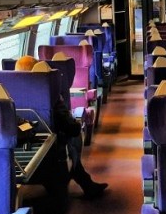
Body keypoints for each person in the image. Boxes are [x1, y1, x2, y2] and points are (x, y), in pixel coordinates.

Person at [15, 55, 108, 199]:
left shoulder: (5, 96)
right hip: (50, 151)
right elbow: (71, 127)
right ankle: (82, 179)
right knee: (74, 136)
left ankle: (85, 182)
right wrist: (76, 126)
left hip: (16, 149)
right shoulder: (50, 94)